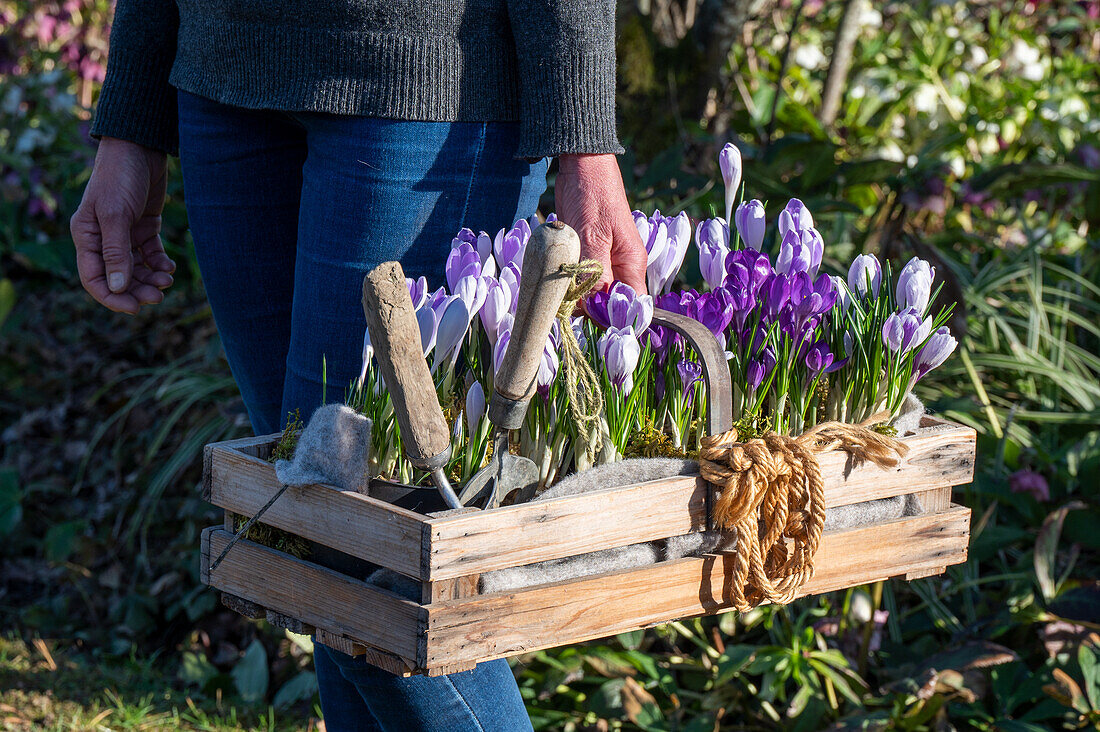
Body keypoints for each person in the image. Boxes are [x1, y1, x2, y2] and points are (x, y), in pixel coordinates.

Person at [70, 1, 648, 730]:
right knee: (320, 544)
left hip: (426, 88)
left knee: (368, 557)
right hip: (222, 78)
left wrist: (584, 143)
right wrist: (130, 121)